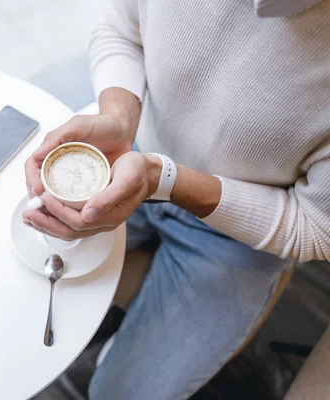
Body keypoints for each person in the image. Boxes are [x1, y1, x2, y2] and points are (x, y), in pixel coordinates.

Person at [23, 0, 330, 398]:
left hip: (235, 238)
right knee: (18, 268)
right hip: (130, 152)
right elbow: (121, 28)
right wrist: (119, 119)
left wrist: (162, 180)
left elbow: (317, 227)